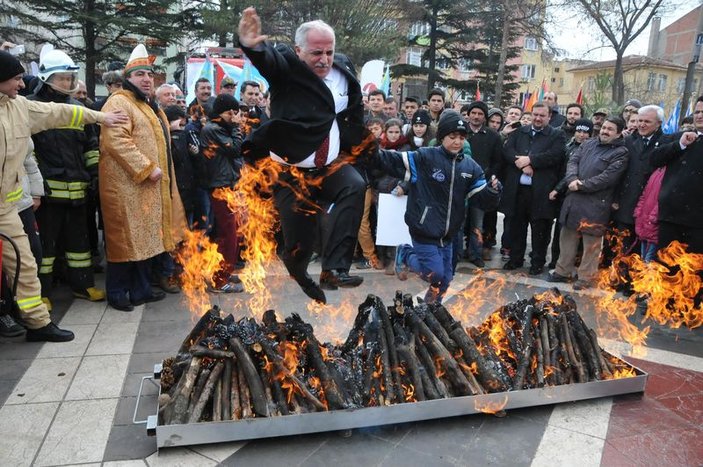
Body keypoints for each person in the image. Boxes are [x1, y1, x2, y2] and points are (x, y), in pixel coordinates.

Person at [238, 8, 366, 303]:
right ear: (298, 51)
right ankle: (297, 268)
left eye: (329, 52)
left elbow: (353, 109)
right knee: (299, 246)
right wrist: (252, 45)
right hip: (291, 173)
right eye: (315, 53)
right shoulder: (287, 72)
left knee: (355, 184)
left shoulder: (343, 73)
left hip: (330, 166)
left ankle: (334, 268)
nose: (323, 59)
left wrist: (354, 144)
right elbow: (269, 61)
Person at [0, 50, 126, 341]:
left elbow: (63, 113)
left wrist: (102, 117)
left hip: (7, 208)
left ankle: (38, 324)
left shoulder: (19, 107)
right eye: (16, 79)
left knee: (25, 263)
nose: (21, 85)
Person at [375, 110, 502, 303]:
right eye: (452, 137)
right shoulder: (425, 157)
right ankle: (406, 254)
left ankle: (430, 309)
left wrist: (493, 191)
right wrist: (365, 150)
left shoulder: (470, 167)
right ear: (442, 137)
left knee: (445, 279)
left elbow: (481, 199)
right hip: (424, 229)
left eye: (461, 137)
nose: (457, 142)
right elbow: (390, 160)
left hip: (449, 234)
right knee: (434, 274)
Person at [99, 44, 187, 312]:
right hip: (126, 187)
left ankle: (141, 290)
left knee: (146, 240)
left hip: (147, 189)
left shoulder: (149, 106)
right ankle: (117, 292)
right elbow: (116, 141)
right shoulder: (118, 102)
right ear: (128, 79)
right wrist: (147, 168)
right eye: (140, 75)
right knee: (123, 241)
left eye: (149, 74)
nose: (147, 79)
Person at [29, 48, 108, 308]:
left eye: (69, 78)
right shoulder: (33, 107)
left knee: (80, 245)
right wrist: (36, 187)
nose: (67, 83)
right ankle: (42, 293)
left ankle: (83, 285)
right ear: (47, 78)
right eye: (62, 78)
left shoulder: (79, 109)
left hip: (78, 191)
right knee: (46, 247)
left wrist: (95, 176)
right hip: (48, 194)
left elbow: (90, 147)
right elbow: (29, 152)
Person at [548, 117, 628, 290]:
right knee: (567, 238)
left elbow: (608, 178)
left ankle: (586, 276)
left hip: (596, 203)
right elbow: (573, 161)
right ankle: (563, 271)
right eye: (604, 127)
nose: (605, 131)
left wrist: (582, 185)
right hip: (574, 199)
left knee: (591, 244)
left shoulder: (621, 152)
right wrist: (572, 179)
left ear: (619, 133)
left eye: (610, 129)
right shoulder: (588, 144)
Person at [501, 103, 566, 275]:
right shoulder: (520, 132)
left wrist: (531, 160)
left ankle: (537, 262)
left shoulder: (556, 135)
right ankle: (516, 259)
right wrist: (522, 165)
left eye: (542, 115)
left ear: (549, 116)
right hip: (518, 190)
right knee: (516, 227)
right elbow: (508, 150)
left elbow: (555, 155)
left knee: (540, 230)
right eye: (535, 114)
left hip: (541, 192)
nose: (537, 118)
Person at [199, 94, 245, 293]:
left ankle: (224, 271)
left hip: (228, 186)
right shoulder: (213, 129)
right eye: (230, 113)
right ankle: (220, 280)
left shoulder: (220, 128)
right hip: (220, 188)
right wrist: (236, 128)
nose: (234, 117)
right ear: (219, 113)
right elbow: (235, 149)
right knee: (229, 235)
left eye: (236, 112)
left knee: (233, 233)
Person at [649, 95, 703, 254]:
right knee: (666, 268)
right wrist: (680, 145)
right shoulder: (679, 138)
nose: (700, 116)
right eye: (697, 112)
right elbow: (654, 159)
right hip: (671, 217)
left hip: (699, 222)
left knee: (693, 272)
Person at [462, 101, 502, 266]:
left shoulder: (493, 136)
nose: (476, 116)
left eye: (480, 114)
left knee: (478, 223)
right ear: (469, 114)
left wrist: (492, 176)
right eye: (474, 113)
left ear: (484, 117)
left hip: (481, 186)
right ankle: (457, 253)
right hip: (461, 184)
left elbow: (498, 161)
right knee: (460, 222)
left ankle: (475, 254)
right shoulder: (460, 131)